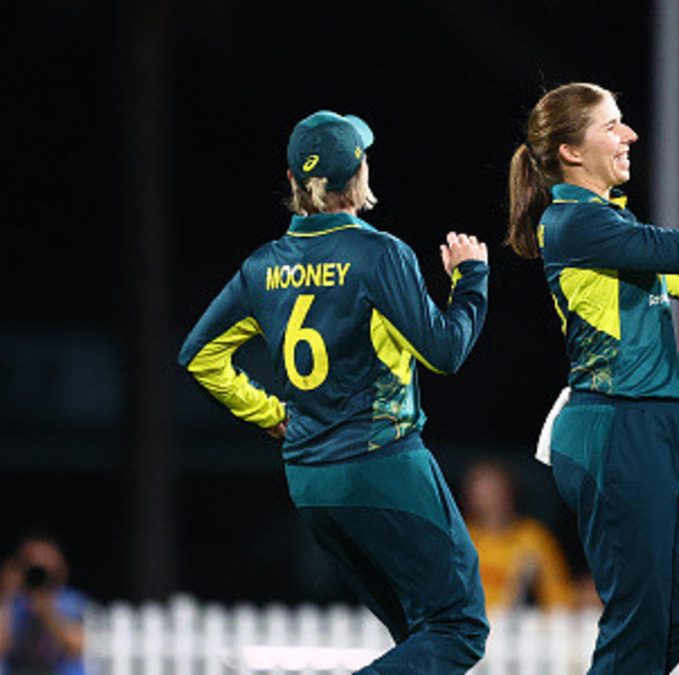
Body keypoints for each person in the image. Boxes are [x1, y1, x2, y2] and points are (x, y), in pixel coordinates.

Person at [178, 110, 490, 674]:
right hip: (384, 466)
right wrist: (471, 282)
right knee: (457, 628)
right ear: (359, 174)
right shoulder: (378, 254)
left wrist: (271, 414)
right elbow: (445, 351)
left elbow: (198, 356)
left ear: (293, 178)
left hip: (311, 482)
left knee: (419, 640)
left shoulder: (261, 267)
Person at [506, 81, 679, 673]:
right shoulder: (572, 221)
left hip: (657, 422)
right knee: (639, 618)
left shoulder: (605, 223)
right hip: (614, 424)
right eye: (612, 125)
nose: (629, 134)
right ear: (572, 153)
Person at [461, 460, 575, 611]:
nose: (486, 498)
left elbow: (557, 597)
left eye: (493, 490)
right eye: (479, 492)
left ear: (509, 492)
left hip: (513, 628)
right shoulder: (458, 539)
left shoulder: (532, 538)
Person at [0, 534, 86, 675]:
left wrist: (47, 612)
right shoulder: (10, 603)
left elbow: (78, 647)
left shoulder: (72, 601)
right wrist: (6, 596)